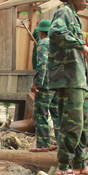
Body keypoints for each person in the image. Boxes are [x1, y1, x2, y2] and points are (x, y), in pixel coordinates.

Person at [48, 0, 88, 175]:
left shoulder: (75, 18)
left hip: (80, 79)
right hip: (69, 79)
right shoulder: (64, 13)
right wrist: (82, 46)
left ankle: (80, 162)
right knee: (72, 124)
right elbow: (56, 33)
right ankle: (64, 166)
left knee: (85, 124)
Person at [29, 19, 60, 152]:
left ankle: (43, 144)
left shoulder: (43, 43)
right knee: (57, 114)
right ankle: (61, 144)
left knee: (41, 114)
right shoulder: (58, 44)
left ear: (41, 32)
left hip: (46, 84)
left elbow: (42, 64)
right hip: (58, 84)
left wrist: (36, 82)